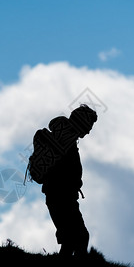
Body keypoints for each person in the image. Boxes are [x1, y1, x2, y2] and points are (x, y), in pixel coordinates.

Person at [41, 104, 98, 257]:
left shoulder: (64, 139)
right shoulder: (66, 143)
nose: (89, 130)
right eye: (89, 125)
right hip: (62, 197)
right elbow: (64, 172)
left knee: (69, 239)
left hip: (57, 196)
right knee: (79, 237)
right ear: (82, 122)